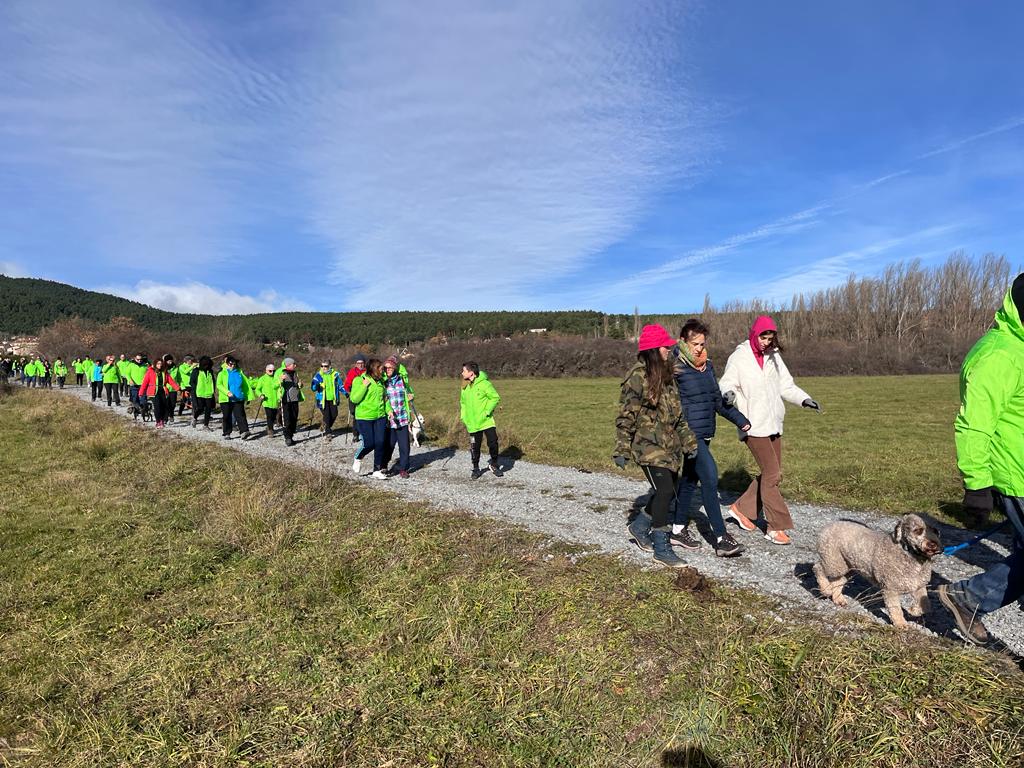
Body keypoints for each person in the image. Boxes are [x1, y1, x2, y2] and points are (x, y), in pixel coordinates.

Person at [937, 274, 1024, 645]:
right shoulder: (999, 353)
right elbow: (974, 425)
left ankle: (970, 597)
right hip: (1017, 475)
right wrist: (977, 485)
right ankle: (969, 596)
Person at [717, 316, 820, 545]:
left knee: (771, 474)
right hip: (752, 425)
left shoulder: (774, 357)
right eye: (763, 336)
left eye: (770, 337)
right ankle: (776, 526)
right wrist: (729, 394)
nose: (766, 341)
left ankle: (742, 509)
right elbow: (727, 382)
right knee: (772, 474)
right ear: (755, 334)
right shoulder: (739, 357)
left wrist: (804, 399)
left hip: (773, 423)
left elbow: (786, 385)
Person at [614, 324, 698, 568]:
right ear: (653, 350)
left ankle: (639, 526)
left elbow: (679, 417)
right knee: (663, 491)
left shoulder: (669, 378)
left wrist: (689, 443)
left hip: (670, 448)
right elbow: (625, 417)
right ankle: (661, 547)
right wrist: (621, 449)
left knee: (668, 491)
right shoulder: (638, 377)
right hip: (646, 446)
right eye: (665, 346)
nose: (669, 350)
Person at [671, 319, 751, 558]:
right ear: (684, 341)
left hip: (705, 433)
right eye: (694, 343)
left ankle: (677, 530)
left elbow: (716, 401)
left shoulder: (707, 366)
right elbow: (669, 404)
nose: (698, 348)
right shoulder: (675, 367)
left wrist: (740, 419)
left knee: (688, 481)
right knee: (710, 476)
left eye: (702, 343)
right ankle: (721, 538)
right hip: (688, 436)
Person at [460, 361, 503, 479]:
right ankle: (475, 468)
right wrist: (463, 416)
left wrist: (487, 411)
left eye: (464, 371)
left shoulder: (485, 384)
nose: (462, 373)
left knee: (493, 442)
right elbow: (462, 402)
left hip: (486, 421)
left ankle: (494, 464)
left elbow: (495, 397)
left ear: (471, 373)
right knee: (474, 446)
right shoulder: (464, 385)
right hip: (472, 423)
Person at [350, 358, 388, 478]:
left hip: (380, 416)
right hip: (364, 417)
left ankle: (377, 470)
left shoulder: (381, 382)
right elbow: (354, 399)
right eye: (380, 368)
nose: (383, 370)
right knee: (370, 443)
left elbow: (384, 399)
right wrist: (364, 386)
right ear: (373, 369)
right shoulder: (359, 380)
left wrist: (389, 411)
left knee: (380, 442)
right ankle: (358, 457)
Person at [381, 357, 412, 478]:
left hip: (402, 418)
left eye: (389, 367)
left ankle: (403, 468)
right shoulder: (383, 382)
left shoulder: (402, 380)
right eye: (385, 368)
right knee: (389, 445)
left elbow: (410, 391)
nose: (387, 369)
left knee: (404, 446)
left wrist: (411, 395)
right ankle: (383, 466)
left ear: (394, 368)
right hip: (389, 420)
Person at [216, 356, 252, 439]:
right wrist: (227, 392)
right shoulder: (222, 373)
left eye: (234, 364)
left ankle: (244, 432)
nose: (232, 366)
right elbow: (219, 385)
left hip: (238, 398)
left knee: (240, 415)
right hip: (226, 399)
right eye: (230, 364)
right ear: (227, 364)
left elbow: (245, 385)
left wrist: (247, 396)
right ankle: (227, 433)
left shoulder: (239, 373)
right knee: (227, 416)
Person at [138, 357, 180, 428]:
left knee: (164, 407)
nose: (159, 365)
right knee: (157, 407)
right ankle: (158, 421)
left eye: (161, 364)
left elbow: (170, 381)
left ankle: (162, 420)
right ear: (155, 364)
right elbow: (145, 382)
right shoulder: (150, 371)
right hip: (154, 391)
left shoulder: (164, 372)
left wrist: (177, 388)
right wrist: (141, 392)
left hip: (163, 390)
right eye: (158, 364)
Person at [310, 359, 344, 439]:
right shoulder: (318, 376)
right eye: (322, 366)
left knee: (334, 414)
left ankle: (326, 426)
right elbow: (313, 387)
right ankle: (328, 432)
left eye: (325, 366)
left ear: (330, 366)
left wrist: (345, 392)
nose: (323, 368)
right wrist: (316, 386)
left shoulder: (335, 375)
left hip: (333, 399)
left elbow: (340, 385)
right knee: (327, 415)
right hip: (322, 400)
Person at [252, 363, 283, 438]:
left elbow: (280, 388)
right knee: (269, 416)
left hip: (276, 401)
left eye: (274, 371)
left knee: (273, 417)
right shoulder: (262, 379)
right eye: (270, 371)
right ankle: (270, 430)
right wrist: (260, 395)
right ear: (266, 370)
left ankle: (269, 426)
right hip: (266, 401)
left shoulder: (276, 378)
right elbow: (257, 389)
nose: (272, 372)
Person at [279, 357, 304, 446]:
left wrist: (300, 385)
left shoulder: (295, 373)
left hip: (295, 399)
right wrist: (280, 380)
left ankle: (291, 436)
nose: (295, 365)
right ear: (288, 365)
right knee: (287, 419)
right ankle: (287, 438)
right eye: (294, 364)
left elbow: (298, 384)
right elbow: (275, 384)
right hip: (285, 399)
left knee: (294, 418)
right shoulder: (281, 373)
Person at [343, 354, 367, 442]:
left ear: (364, 363)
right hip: (354, 396)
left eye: (362, 363)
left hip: (365, 397)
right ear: (355, 364)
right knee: (355, 414)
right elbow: (347, 384)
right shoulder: (352, 372)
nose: (360, 365)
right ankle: (356, 434)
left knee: (363, 415)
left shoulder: (367, 372)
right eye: (358, 363)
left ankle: (360, 433)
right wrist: (348, 388)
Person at [189, 356, 217, 430]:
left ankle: (206, 425)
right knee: (200, 408)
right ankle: (195, 418)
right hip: (199, 393)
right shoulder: (196, 371)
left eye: (208, 365)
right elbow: (192, 382)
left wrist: (213, 391)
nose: (206, 366)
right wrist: (194, 391)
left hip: (209, 393)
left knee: (208, 409)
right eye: (205, 365)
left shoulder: (210, 371)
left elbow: (213, 381)